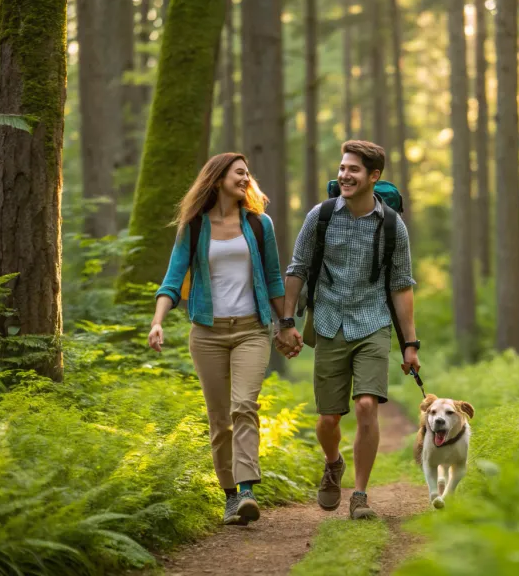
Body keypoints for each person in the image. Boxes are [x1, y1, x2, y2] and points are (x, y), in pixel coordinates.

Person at [275, 140, 421, 520]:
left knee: (367, 405)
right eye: (342, 168)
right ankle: (333, 462)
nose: (345, 175)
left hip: (373, 322)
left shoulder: (392, 225)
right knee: (328, 419)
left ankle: (359, 495)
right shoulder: (320, 216)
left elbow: (401, 285)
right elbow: (297, 269)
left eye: (354, 170)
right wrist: (287, 322)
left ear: (374, 176)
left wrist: (410, 344)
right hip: (328, 323)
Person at [148, 153, 288, 526]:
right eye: (238, 173)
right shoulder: (194, 227)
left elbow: (274, 279)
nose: (246, 178)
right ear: (218, 177)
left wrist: (285, 322)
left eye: (247, 173)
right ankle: (229, 496)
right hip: (207, 334)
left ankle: (246, 492)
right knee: (219, 419)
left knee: (244, 405)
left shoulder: (260, 225)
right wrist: (157, 321)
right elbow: (173, 279)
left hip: (251, 330)